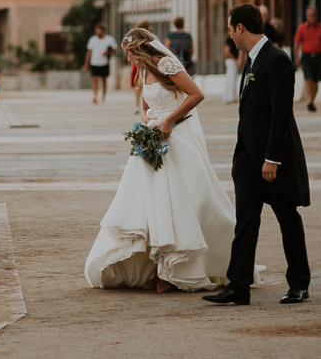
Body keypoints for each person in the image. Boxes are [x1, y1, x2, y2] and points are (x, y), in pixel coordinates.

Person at [85, 28, 235, 292]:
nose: (129, 60)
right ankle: (155, 269)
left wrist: (169, 119)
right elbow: (145, 105)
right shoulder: (142, 71)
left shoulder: (166, 63)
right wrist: (147, 120)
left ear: (141, 49)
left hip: (177, 138)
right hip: (153, 139)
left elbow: (197, 95)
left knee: (180, 202)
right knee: (150, 205)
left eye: (130, 54)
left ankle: (173, 270)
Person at [204, 4, 311, 307]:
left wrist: (272, 159)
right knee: (245, 222)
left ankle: (299, 284)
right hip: (247, 161)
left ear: (240, 28)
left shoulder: (276, 61)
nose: (229, 34)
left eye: (230, 28)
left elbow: (280, 115)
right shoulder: (251, 61)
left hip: (272, 162)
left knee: (287, 218)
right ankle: (238, 288)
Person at [293, 6, 321, 112]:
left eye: (313, 15)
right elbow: (296, 44)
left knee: (316, 80)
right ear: (306, 16)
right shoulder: (302, 28)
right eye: (309, 15)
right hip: (306, 57)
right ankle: (310, 101)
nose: (312, 17)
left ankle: (312, 101)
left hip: (319, 56)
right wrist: (296, 58)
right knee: (308, 79)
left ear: (317, 16)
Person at [83, 23, 118, 104]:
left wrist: (108, 52)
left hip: (104, 63)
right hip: (94, 62)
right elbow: (89, 52)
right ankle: (95, 96)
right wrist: (86, 64)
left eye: (99, 30)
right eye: (96, 30)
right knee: (95, 80)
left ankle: (103, 97)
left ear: (103, 31)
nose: (97, 32)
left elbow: (115, 50)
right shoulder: (92, 39)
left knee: (103, 80)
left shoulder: (109, 39)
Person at [129, 20, 151, 112]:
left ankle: (137, 104)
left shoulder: (133, 37)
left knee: (138, 84)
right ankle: (144, 105)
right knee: (146, 83)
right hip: (147, 63)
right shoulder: (151, 37)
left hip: (136, 63)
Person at [223, 37, 244, 104]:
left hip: (229, 61)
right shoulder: (231, 39)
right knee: (232, 79)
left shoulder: (230, 39)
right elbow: (227, 51)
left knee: (230, 79)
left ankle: (228, 97)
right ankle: (231, 97)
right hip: (232, 61)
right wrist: (236, 60)